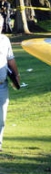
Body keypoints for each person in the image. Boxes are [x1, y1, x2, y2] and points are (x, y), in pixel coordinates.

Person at [0, 20, 20, 152]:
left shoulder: (5, 40)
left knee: (1, 117)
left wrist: (16, 76)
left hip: (2, 85)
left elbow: (10, 59)